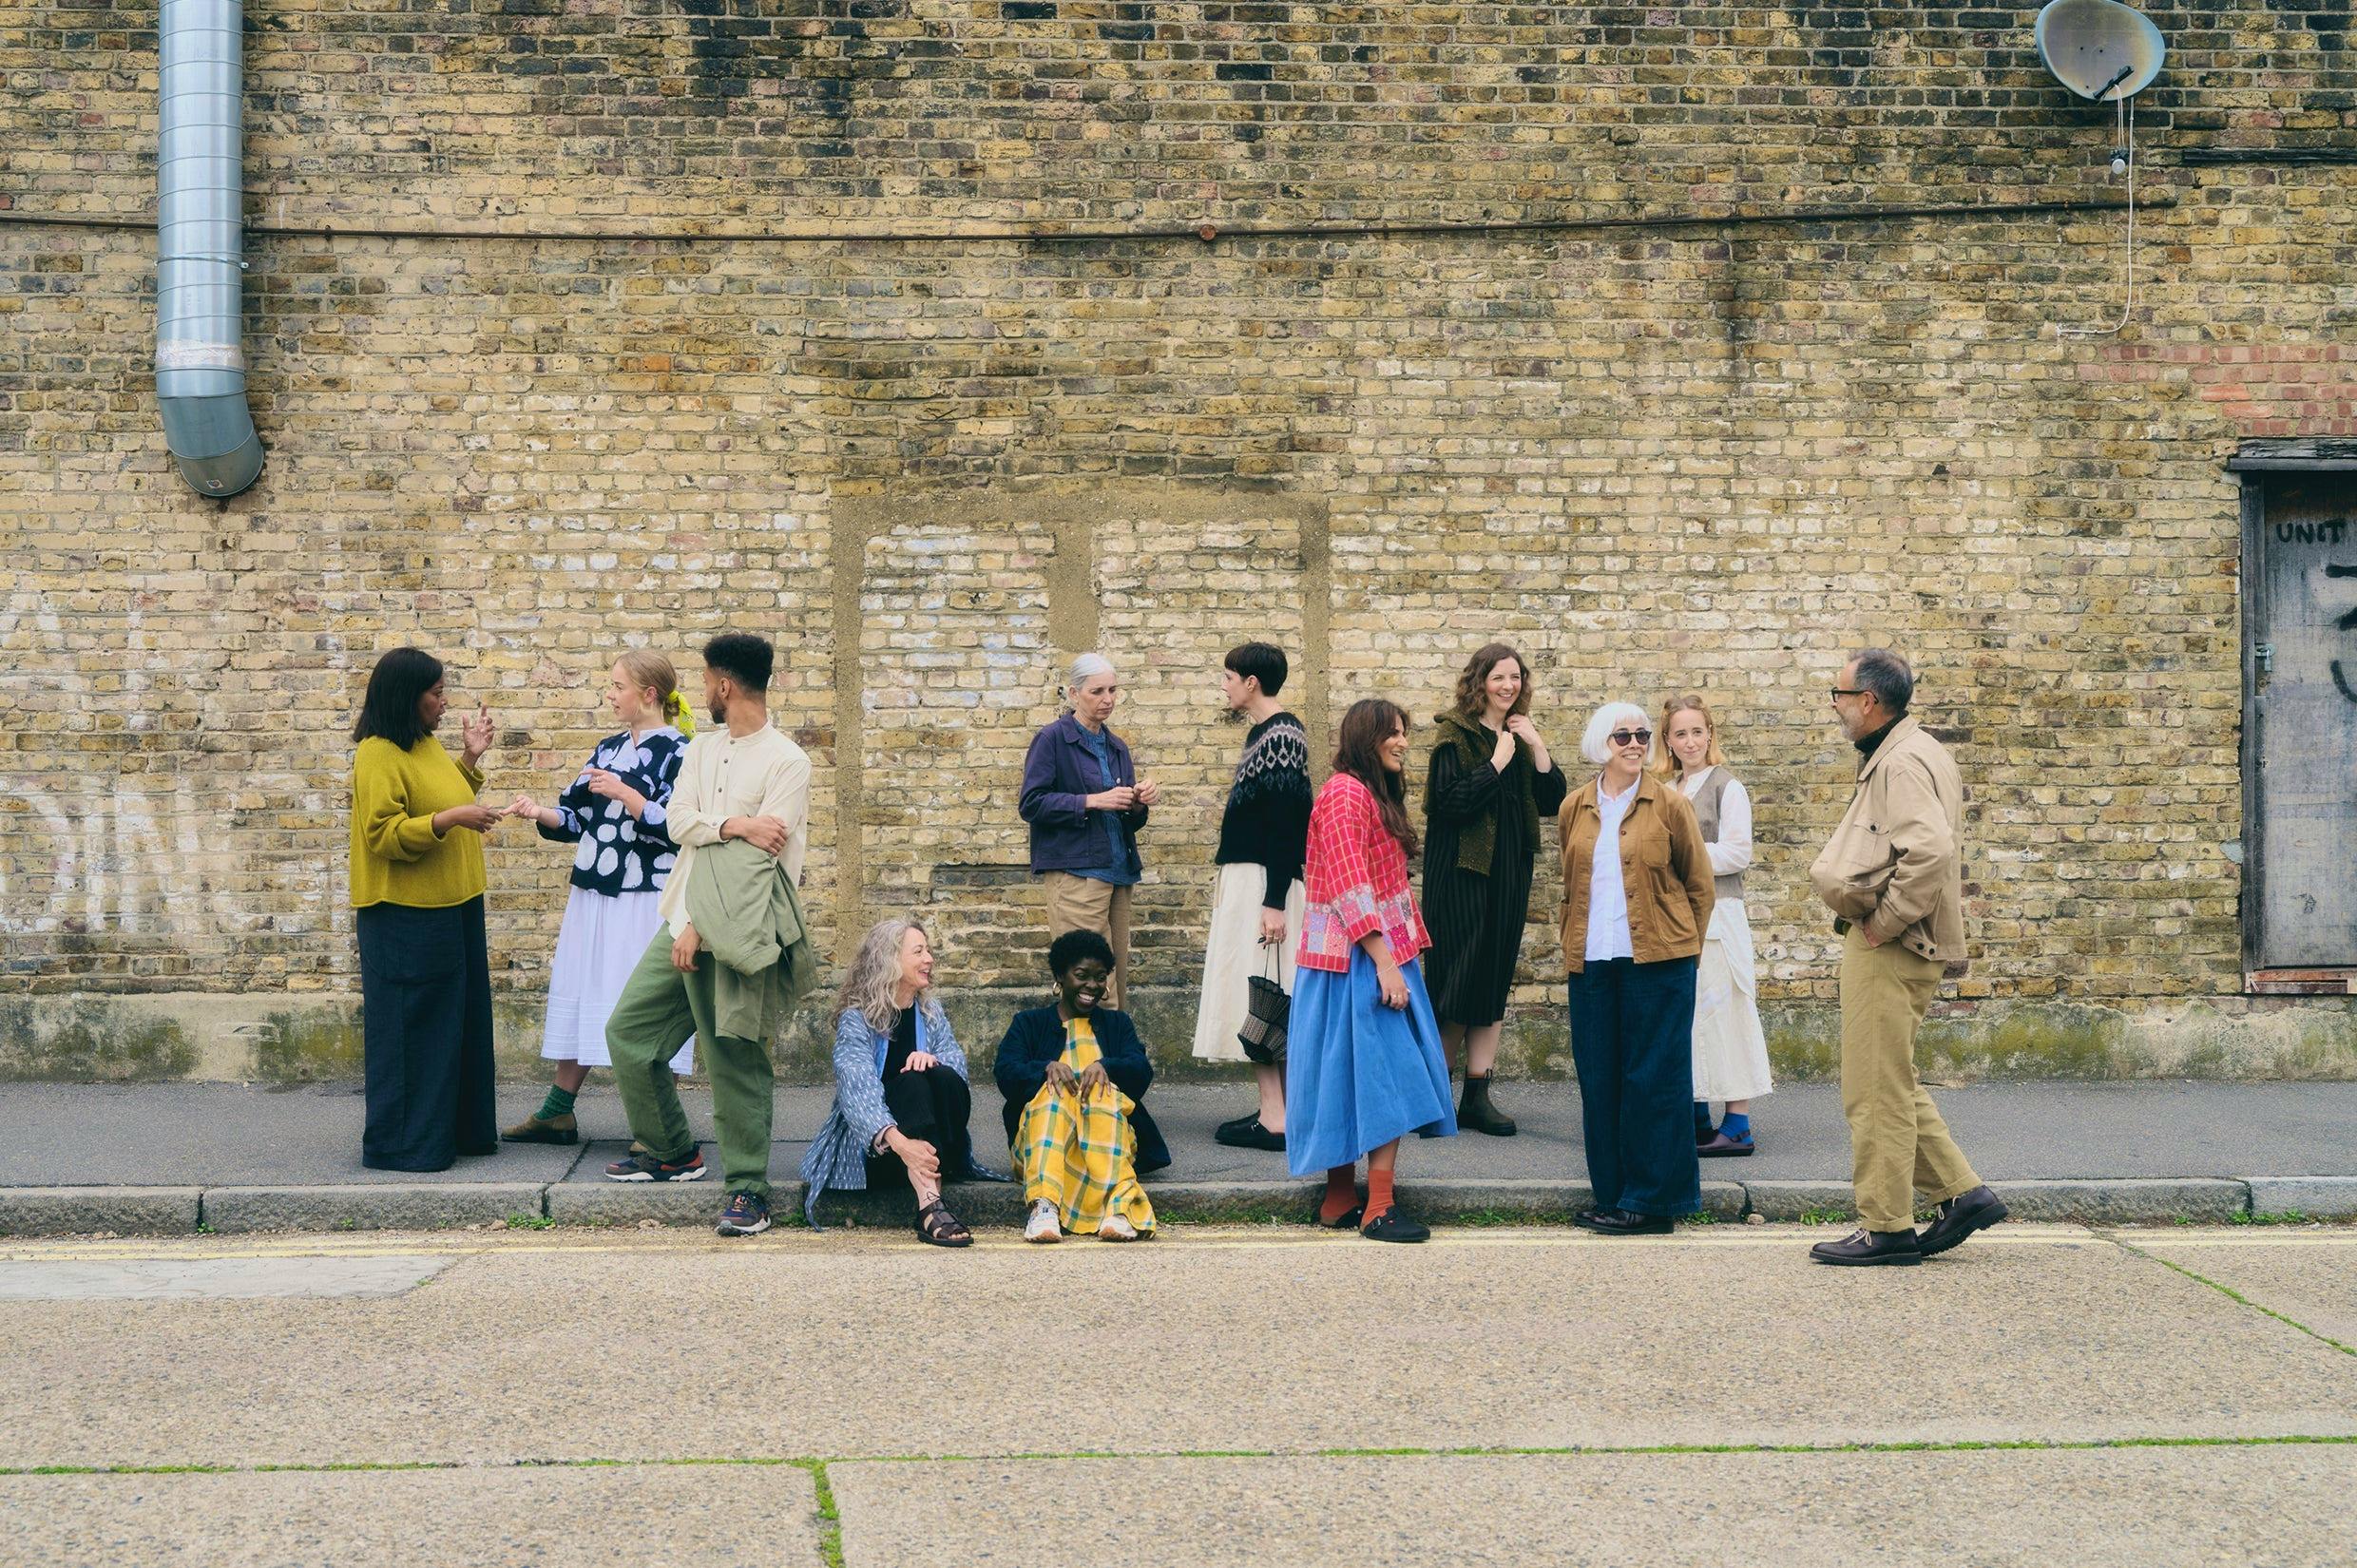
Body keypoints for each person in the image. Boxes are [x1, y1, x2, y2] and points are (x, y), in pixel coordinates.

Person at [600, 633, 814, 1239]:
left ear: (724, 686)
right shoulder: (702, 748)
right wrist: (735, 824)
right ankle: (671, 1150)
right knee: (630, 1034)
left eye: (705, 681)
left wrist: (700, 916)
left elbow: (761, 862)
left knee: (733, 1060)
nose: (700, 692)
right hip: (682, 918)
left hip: (743, 928)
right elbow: (676, 820)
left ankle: (749, 1190)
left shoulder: (787, 761)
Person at [1807, 649, 2008, 1266]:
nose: (1836, 708)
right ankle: (1963, 1195)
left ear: (1868, 701)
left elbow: (1929, 852)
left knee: (1873, 1091)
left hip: (1892, 944)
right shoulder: (1913, 750)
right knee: (1889, 1080)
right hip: (1898, 943)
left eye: (1839, 696)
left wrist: (1884, 922)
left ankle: (1886, 1226)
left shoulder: (1900, 762)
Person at [501, 653, 697, 1145]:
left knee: (648, 1003)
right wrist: (539, 812)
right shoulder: (607, 749)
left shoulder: (682, 753)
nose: (609, 695)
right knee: (588, 988)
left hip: (647, 897)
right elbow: (575, 820)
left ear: (648, 695)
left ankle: (656, 1126)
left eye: (617, 687)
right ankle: (556, 1112)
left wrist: (627, 795)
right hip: (594, 893)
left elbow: (682, 830)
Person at [1288, 698, 1458, 1243]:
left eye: (1405, 732)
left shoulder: (1365, 794)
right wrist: (1387, 965)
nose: (1404, 741)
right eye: (1393, 733)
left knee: (1348, 1077)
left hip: (1358, 957)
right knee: (1388, 1079)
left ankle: (1340, 1198)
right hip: (1359, 960)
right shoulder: (1344, 794)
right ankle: (1377, 1206)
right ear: (1366, 737)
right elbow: (1348, 884)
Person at [1558, 700, 1714, 1236]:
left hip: (1660, 963)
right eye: (1622, 736)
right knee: (1600, 1078)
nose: (1634, 745)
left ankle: (1652, 1203)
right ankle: (1613, 1196)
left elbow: (1700, 886)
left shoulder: (1670, 805)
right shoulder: (1573, 807)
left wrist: (1684, 954)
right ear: (1600, 743)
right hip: (1592, 961)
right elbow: (1571, 885)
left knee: (1654, 1081)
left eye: (1642, 736)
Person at [347, 647, 501, 1173]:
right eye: (436, 693)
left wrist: (470, 761)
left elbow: (440, 797)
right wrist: (453, 817)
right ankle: (405, 1147)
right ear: (406, 697)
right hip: (404, 915)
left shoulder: (424, 745)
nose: (444, 701)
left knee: (457, 1025)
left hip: (454, 905)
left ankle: (458, 1134)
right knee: (414, 1032)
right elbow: (384, 834)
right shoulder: (377, 752)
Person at [1420, 642, 1567, 1137]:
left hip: (1508, 874)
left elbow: (1551, 803)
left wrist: (1538, 748)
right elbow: (1446, 804)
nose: (1509, 687)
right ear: (1479, 681)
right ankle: (1433, 1097)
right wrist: (1497, 763)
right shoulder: (1453, 736)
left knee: (1493, 978)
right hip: (1460, 880)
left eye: (1516, 678)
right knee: (1455, 982)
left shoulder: (1518, 736)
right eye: (1499, 678)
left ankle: (1477, 1097)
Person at [800, 918, 1001, 1246]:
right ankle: (930, 1206)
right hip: (884, 1156)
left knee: (935, 1074)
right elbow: (857, 1090)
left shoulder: (930, 1011)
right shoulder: (858, 1019)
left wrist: (932, 1062)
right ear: (890, 960)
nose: (929, 959)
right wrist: (903, 1145)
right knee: (910, 1085)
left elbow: (958, 1076)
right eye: (919, 951)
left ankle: (930, 1201)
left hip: (936, 1151)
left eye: (929, 951)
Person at [1191, 642, 1313, 1153]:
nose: (1224, 685)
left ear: (1251, 683)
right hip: (1259, 881)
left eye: (1228, 677)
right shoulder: (1269, 734)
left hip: (1263, 883)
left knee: (1261, 990)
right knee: (1270, 988)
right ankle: (1279, 1108)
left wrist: (1273, 900)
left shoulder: (1281, 734)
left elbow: (1288, 826)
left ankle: (1274, 1116)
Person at [1655, 694, 1773, 1157]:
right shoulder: (1669, 790)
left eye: (1697, 732)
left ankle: (1738, 1124)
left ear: (1710, 735)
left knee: (1726, 1014)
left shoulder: (1729, 787)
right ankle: (1698, 1115)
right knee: (1691, 1017)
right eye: (1680, 733)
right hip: (1680, 919)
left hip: (1720, 916)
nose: (1690, 741)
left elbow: (1737, 853)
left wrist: (1680, 855)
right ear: (1667, 740)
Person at [997, 928, 1167, 1243]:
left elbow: (1141, 1071)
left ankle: (1119, 1211)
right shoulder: (1029, 1023)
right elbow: (1006, 1073)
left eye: (1100, 977)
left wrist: (1106, 1067)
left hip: (1105, 1136)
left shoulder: (1117, 1024)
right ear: (1061, 976)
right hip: (1043, 1141)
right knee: (1052, 1093)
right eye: (1081, 975)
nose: (1092, 985)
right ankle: (1044, 1207)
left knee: (1102, 1094)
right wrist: (1044, 1068)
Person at [1020, 652, 1159, 1008]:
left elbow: (1130, 819)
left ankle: (1110, 1061)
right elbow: (1032, 804)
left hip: (1118, 872)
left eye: (1113, 690)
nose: (1108, 699)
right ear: (1073, 693)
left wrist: (1139, 801)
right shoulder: (1052, 739)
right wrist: (1091, 801)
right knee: (1087, 982)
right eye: (1097, 691)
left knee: (1116, 981)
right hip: (1076, 874)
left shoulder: (1116, 747)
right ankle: (1087, 1062)